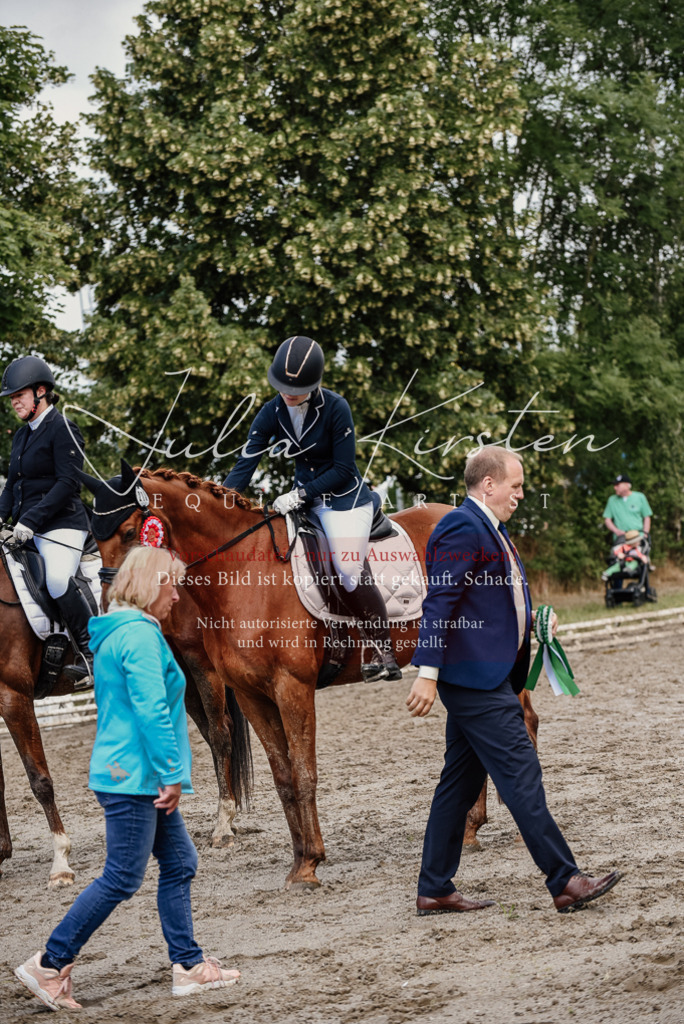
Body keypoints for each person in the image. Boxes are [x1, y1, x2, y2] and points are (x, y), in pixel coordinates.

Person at [14, 546, 240, 1010]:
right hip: (135, 776)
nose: (177, 596)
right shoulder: (138, 635)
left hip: (126, 771)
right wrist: (172, 773)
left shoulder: (119, 630)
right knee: (121, 877)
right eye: (172, 585)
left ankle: (188, 965)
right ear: (152, 585)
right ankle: (50, 962)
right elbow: (152, 710)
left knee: (180, 864)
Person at [406, 445, 621, 915]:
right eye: (516, 485)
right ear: (489, 484)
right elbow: (440, 602)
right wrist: (426, 672)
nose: (521, 494)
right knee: (521, 772)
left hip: (489, 674)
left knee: (458, 784)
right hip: (474, 681)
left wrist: (534, 621)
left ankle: (434, 888)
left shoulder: (491, 528)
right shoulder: (463, 525)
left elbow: (489, 604)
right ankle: (565, 880)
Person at [223, 334, 400, 681]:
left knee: (348, 568)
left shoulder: (336, 407)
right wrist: (222, 500)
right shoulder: (271, 411)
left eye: (298, 388)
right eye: (283, 386)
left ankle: (383, 649)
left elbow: (343, 469)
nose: (288, 393)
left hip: (344, 500)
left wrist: (300, 495)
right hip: (302, 501)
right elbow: (246, 463)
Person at [0, 356, 93, 685]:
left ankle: (91, 652)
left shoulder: (63, 427)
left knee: (55, 578)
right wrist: (2, 517)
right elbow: (12, 484)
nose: (14, 402)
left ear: (41, 392)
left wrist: (30, 522)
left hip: (62, 525)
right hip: (26, 528)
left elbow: (67, 484)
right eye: (12, 398)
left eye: (19, 395)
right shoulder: (21, 437)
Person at [603, 473, 652, 543]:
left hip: (638, 537)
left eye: (617, 485)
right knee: (618, 554)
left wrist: (645, 534)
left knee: (639, 553)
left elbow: (647, 517)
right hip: (620, 539)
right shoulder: (612, 500)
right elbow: (607, 520)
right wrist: (616, 531)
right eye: (614, 485)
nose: (615, 487)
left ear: (627, 485)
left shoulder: (640, 497)